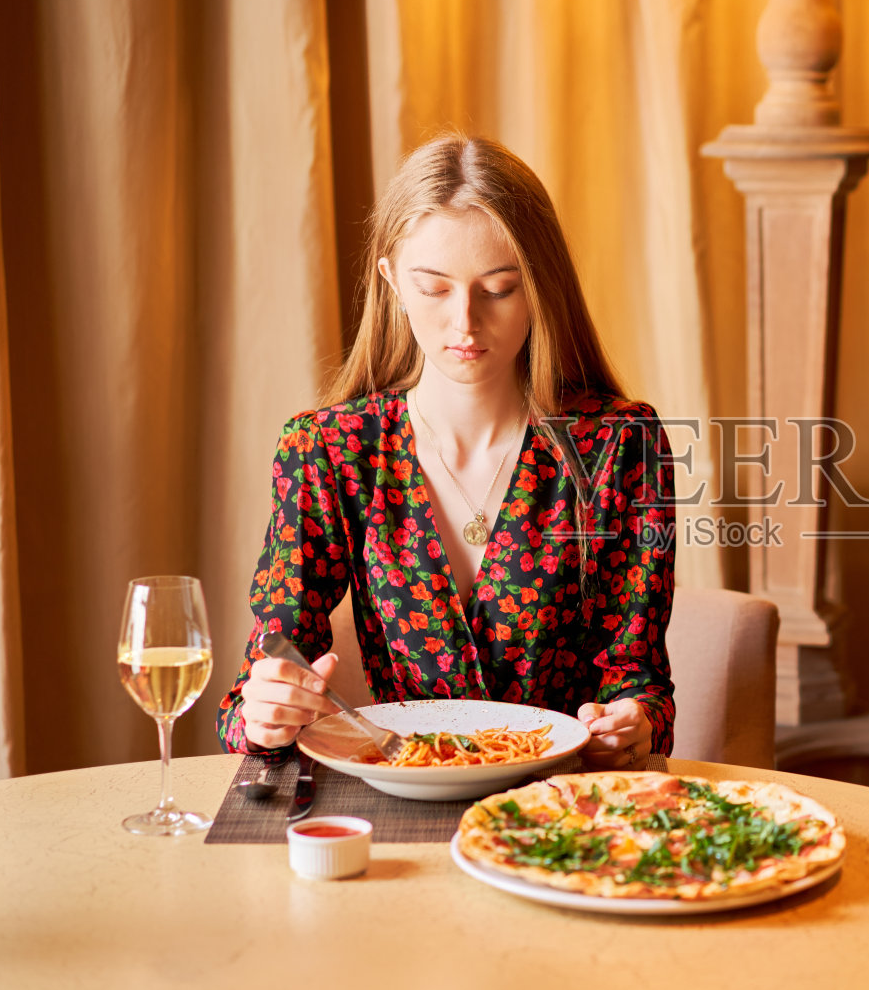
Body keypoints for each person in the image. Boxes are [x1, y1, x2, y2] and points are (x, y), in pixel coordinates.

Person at [216, 133, 675, 768]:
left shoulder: (621, 444)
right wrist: (265, 714)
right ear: (392, 281)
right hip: (398, 804)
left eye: (500, 287)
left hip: (564, 805)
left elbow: (638, 676)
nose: (465, 320)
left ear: (541, 289)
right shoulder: (328, 449)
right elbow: (265, 674)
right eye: (433, 287)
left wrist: (635, 720)